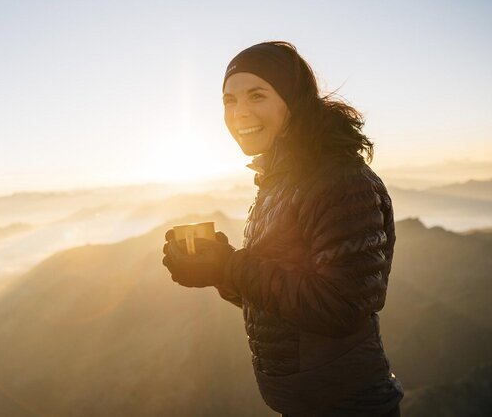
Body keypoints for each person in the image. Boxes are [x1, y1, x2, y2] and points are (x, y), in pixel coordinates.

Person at [162, 42, 403, 416]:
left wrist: (230, 265)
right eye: (229, 100)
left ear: (293, 101)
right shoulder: (281, 181)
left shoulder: (340, 181)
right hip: (308, 404)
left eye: (257, 95)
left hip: (348, 405)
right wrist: (216, 270)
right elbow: (284, 304)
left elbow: (341, 307)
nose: (240, 112)